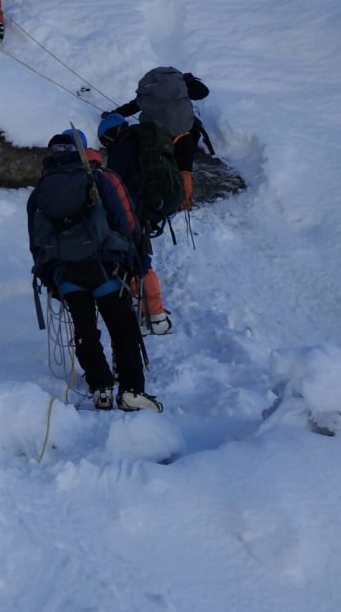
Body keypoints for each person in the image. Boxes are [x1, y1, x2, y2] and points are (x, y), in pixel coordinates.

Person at [28, 131, 163, 412]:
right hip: (106, 267)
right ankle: (131, 391)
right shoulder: (98, 179)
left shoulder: (40, 192)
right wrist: (133, 258)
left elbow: (36, 241)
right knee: (122, 327)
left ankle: (100, 388)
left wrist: (49, 277)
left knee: (84, 330)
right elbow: (124, 220)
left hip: (67, 275)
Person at [98, 113, 173, 336]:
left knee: (137, 260)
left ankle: (153, 316)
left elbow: (117, 186)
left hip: (133, 212)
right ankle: (154, 315)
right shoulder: (141, 142)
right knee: (140, 258)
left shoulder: (121, 151)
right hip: (149, 207)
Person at [109, 71, 212, 211]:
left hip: (159, 135)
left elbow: (133, 106)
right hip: (185, 134)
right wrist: (187, 83)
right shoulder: (180, 91)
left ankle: (167, 195)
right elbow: (203, 92)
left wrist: (112, 114)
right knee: (184, 170)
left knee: (163, 163)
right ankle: (185, 201)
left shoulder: (153, 94)